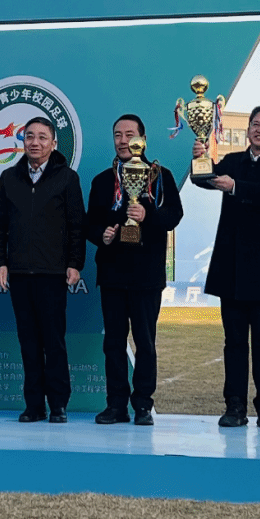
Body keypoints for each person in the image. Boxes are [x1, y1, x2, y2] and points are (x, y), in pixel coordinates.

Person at [192, 105, 260, 428]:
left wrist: (235, 187)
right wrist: (200, 160)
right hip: (231, 267)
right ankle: (234, 405)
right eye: (255, 124)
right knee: (234, 342)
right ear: (247, 129)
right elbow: (204, 180)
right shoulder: (232, 160)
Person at [85, 114, 183, 426]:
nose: (123, 140)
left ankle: (142, 405)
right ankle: (116, 405)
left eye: (130, 134)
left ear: (143, 139)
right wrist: (102, 234)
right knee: (113, 343)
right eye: (118, 134)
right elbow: (90, 222)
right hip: (112, 273)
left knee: (145, 342)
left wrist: (147, 214)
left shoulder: (160, 176)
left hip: (146, 275)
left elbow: (174, 216)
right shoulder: (103, 181)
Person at [0, 117, 85, 423]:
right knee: (28, 343)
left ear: (54, 143)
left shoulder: (67, 178)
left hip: (52, 273)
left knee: (53, 342)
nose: (35, 142)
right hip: (19, 273)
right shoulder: (9, 177)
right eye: (29, 136)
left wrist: (74, 263)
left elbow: (77, 225)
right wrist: (0, 262)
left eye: (42, 137)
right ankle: (33, 405)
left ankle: (58, 404)